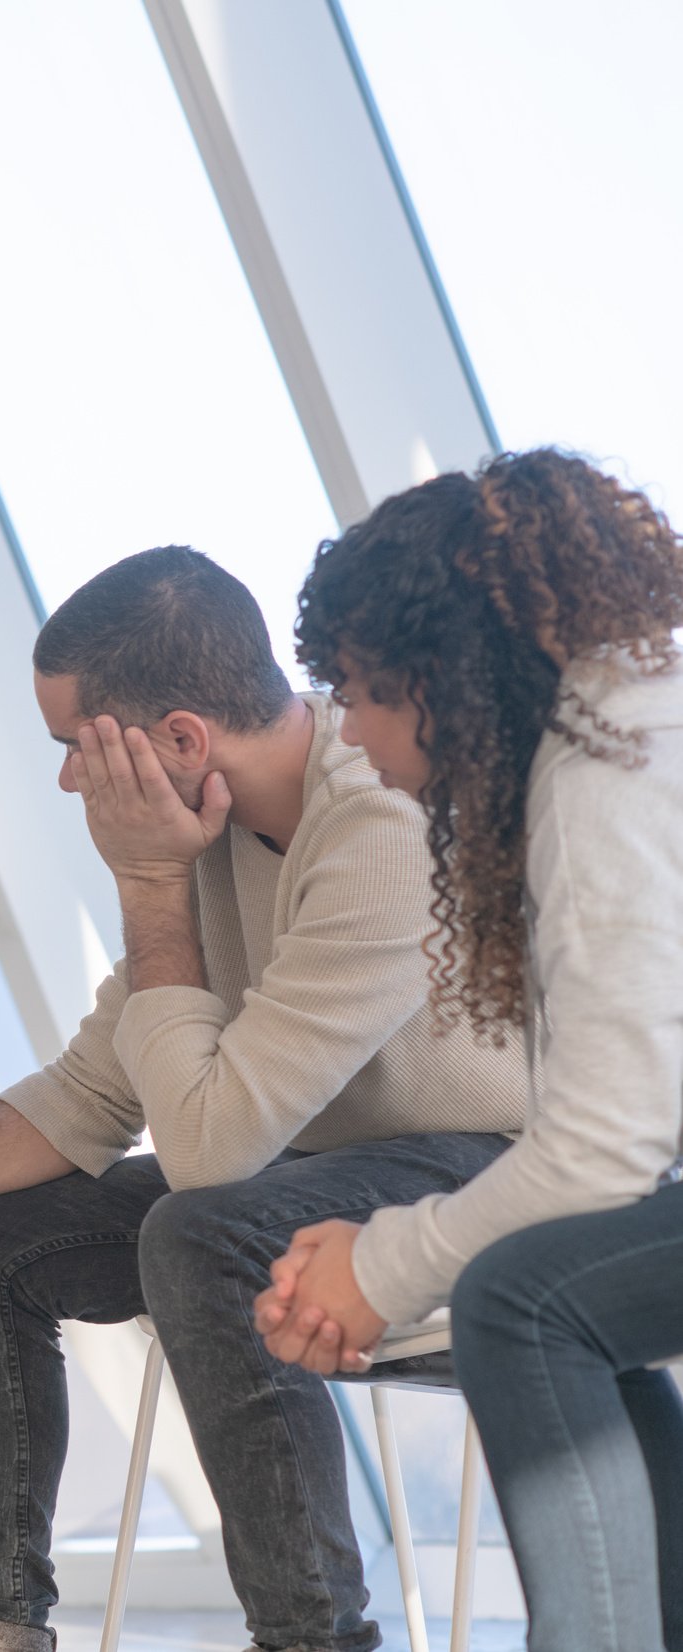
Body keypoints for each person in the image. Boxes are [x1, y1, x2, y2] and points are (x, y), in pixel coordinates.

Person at [0, 547, 529, 1652]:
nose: (68, 782)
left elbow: (210, 1155)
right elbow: (86, 1096)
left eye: (75, 747)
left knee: (204, 1231)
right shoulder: (205, 831)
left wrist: (152, 888)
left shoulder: (381, 830)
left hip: (491, 1169)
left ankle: (314, 1640)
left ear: (176, 740)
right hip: (310, 1177)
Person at [253, 450, 683, 1652]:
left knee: (522, 1295)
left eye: (352, 688)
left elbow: (600, 1157)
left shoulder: (605, 775)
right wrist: (377, 1269)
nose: (342, 728)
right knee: (561, 1287)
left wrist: (378, 1267)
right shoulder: (623, 726)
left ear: (435, 674)